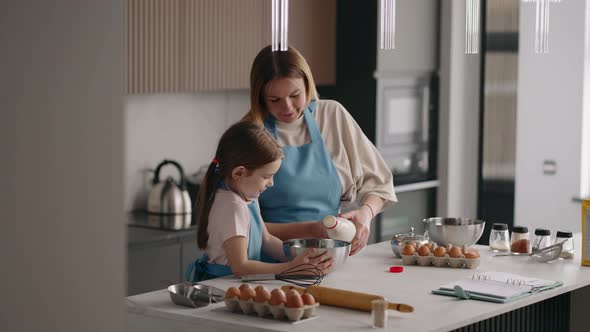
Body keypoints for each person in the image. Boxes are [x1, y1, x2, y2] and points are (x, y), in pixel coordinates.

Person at [243, 45, 397, 255]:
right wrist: (312, 230)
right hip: (270, 265)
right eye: (275, 100)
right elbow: (243, 224)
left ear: (307, 85)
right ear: (259, 98)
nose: (287, 107)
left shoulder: (332, 115)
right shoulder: (249, 134)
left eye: (295, 95)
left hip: (330, 257)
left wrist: (366, 213)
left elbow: (380, 184)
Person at [186, 121, 332, 281]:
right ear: (239, 173)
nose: (271, 183)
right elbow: (240, 266)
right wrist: (291, 268)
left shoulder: (248, 196)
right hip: (222, 285)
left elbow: (267, 240)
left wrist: (302, 257)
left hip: (241, 282)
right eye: (266, 176)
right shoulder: (232, 207)